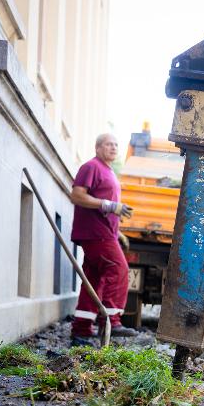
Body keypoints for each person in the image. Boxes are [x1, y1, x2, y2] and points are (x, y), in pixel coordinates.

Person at [69, 133, 138, 346]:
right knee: (118, 269)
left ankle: (81, 329)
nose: (114, 147)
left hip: (103, 232)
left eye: (116, 144)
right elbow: (77, 195)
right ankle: (112, 320)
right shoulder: (91, 167)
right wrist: (108, 205)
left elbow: (104, 209)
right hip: (95, 233)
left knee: (93, 279)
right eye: (109, 144)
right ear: (98, 147)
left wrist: (117, 232)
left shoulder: (108, 172)